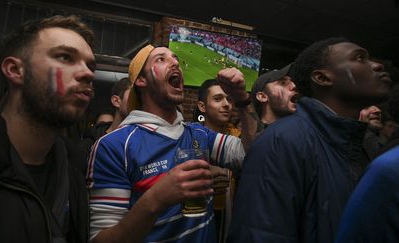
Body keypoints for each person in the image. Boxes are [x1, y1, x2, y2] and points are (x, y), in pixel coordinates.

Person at [227, 37, 391, 243]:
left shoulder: (363, 141)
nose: (378, 64)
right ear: (322, 78)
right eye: (359, 58)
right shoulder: (281, 141)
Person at [87, 44, 256, 242]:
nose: (175, 62)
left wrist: (243, 100)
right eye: (161, 59)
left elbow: (249, 154)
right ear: (141, 80)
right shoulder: (114, 146)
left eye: (175, 58)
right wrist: (157, 198)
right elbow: (101, 239)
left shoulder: (198, 133)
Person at [0, 15, 95, 243]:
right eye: (65, 57)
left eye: (90, 65)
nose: (88, 73)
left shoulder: (74, 174)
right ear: (15, 70)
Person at [335, 81, 399, 243]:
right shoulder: (390, 165)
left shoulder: (381, 146)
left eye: (378, 107)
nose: (376, 111)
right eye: (367, 107)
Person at [195, 79, 243, 243]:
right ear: (202, 107)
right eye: (218, 99)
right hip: (200, 217)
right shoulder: (191, 138)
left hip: (234, 218)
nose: (226, 104)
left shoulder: (240, 140)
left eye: (229, 99)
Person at [250, 63, 298, 133]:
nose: (294, 86)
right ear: (262, 96)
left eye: (293, 82)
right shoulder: (253, 139)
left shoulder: (300, 133)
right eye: (283, 83)